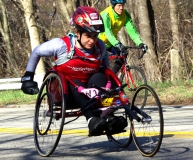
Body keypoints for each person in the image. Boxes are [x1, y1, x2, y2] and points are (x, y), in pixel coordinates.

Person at [20, 6, 127, 136]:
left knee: (100, 75)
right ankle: (91, 120)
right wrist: (28, 77)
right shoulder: (61, 45)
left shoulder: (100, 46)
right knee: (75, 83)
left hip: (91, 90)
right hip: (66, 91)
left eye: (95, 36)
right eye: (88, 35)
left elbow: (105, 69)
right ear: (77, 33)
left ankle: (107, 117)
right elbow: (37, 51)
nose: (92, 40)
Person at [98, 0, 148, 73]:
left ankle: (113, 76)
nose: (121, 8)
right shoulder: (106, 14)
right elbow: (107, 32)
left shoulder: (125, 15)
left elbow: (132, 31)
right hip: (98, 43)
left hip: (110, 43)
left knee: (123, 52)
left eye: (123, 5)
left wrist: (140, 43)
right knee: (100, 65)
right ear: (114, 6)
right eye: (119, 5)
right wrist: (117, 43)